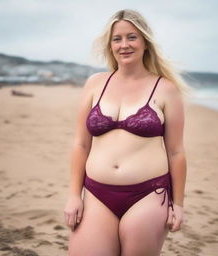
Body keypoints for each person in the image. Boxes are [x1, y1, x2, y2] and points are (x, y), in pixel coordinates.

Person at [64, 9, 188, 256]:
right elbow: (80, 144)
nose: (124, 45)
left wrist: (179, 204)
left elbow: (176, 152)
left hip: (149, 195)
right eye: (116, 39)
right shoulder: (95, 83)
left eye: (131, 37)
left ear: (144, 42)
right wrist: (74, 195)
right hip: (96, 194)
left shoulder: (165, 89)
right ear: (110, 45)